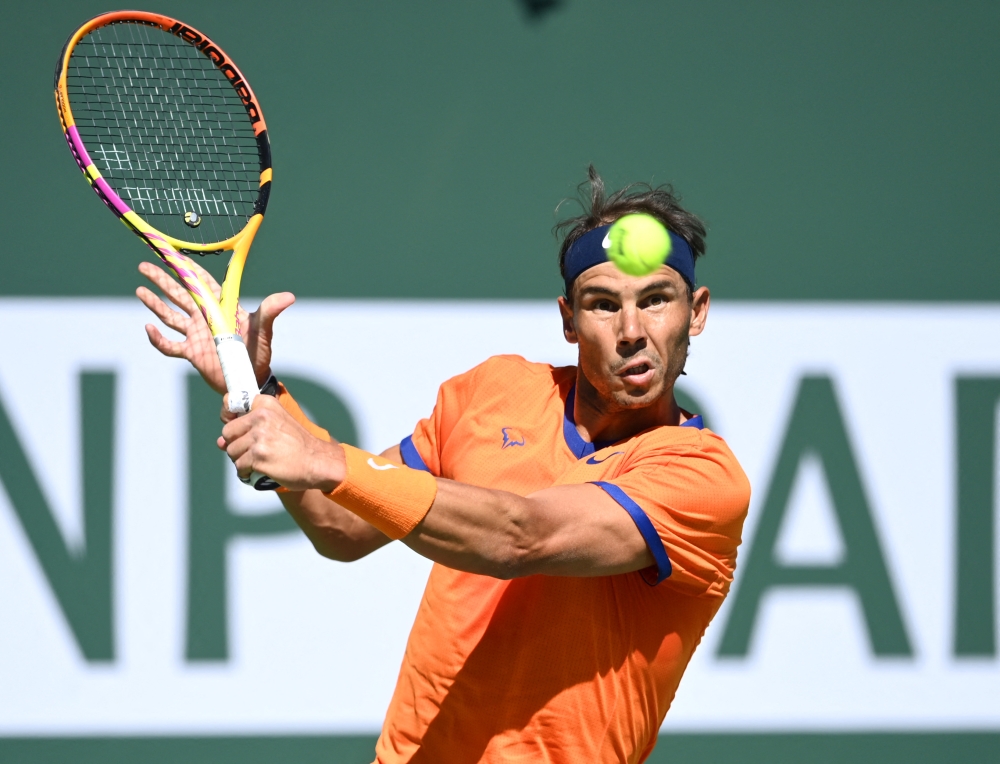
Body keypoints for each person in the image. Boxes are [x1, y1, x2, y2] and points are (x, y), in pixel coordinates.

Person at [137, 167, 750, 763]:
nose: (632, 330)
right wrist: (261, 388)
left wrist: (321, 457)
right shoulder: (493, 391)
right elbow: (342, 526)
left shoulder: (702, 478)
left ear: (695, 311)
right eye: (602, 304)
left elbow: (522, 534)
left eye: (656, 300)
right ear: (568, 319)